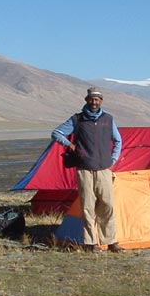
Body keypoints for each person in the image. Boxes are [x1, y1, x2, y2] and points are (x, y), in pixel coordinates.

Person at [52, 87, 124, 252]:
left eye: (97, 99)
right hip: (84, 169)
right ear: (86, 100)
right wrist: (70, 145)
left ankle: (111, 242)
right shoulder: (77, 120)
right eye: (91, 99)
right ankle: (90, 244)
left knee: (107, 205)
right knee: (87, 206)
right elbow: (56, 133)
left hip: (104, 169)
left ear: (101, 101)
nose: (94, 102)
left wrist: (113, 159)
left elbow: (118, 140)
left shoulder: (108, 119)